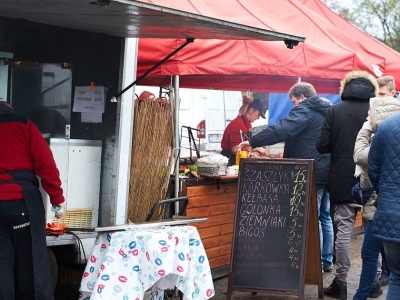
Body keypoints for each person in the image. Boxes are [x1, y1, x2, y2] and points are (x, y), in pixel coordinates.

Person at [237, 82, 334, 273]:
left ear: (303, 97)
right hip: (326, 169)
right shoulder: (328, 110)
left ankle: (318, 263)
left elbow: (282, 128)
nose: (293, 105)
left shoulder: (305, 110)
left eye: (294, 101)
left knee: (312, 217)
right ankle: (327, 259)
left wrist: (254, 140)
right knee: (324, 216)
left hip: (309, 169)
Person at [317, 70, 378, 300]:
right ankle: (373, 283)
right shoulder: (375, 110)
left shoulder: (335, 110)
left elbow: (322, 146)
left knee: (343, 230)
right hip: (371, 175)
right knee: (373, 228)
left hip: (342, 176)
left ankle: (340, 283)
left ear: (346, 87)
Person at [0, 101, 65, 300]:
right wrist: (57, 199)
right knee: (30, 265)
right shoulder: (24, 124)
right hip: (22, 203)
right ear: (10, 110)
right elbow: (46, 163)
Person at [353, 96, 400, 299]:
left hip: (387, 209)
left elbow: (369, 163)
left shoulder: (387, 129)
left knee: (396, 276)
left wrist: (385, 191)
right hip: (385, 208)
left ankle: (362, 294)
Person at [368, 112, 400, 299]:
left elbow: (373, 167)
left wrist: (386, 193)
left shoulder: (387, 125)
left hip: (391, 213)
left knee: (397, 277)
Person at [220, 98, 265, 165]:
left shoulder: (245, 124)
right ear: (251, 110)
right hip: (229, 162)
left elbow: (244, 147)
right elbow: (235, 149)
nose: (258, 118)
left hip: (236, 160)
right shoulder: (238, 124)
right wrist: (256, 148)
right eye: (258, 114)